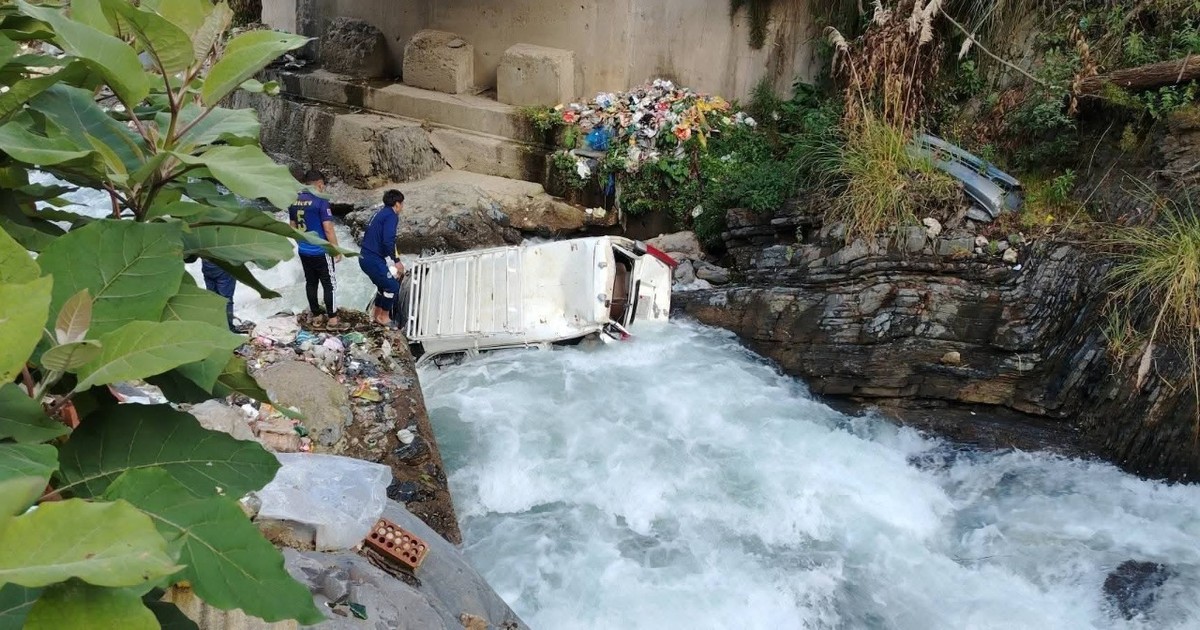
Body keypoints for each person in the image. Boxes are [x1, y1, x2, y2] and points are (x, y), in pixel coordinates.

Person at [288, 169, 342, 326]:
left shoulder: (294, 199)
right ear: (319, 184)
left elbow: (292, 227)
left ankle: (317, 315)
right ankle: (332, 318)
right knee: (329, 284)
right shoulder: (320, 200)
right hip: (321, 251)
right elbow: (328, 228)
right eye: (323, 185)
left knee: (311, 283)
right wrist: (336, 249)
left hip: (304, 251)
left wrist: (302, 244)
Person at [359, 189, 406, 328]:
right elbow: (388, 240)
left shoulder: (380, 212)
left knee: (383, 286)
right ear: (397, 204)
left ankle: (376, 314)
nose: (402, 207)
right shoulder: (391, 216)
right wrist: (397, 262)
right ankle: (384, 317)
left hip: (366, 256)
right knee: (392, 287)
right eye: (402, 204)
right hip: (372, 258)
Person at [200, 259, 238, 332]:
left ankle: (215, 326)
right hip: (222, 269)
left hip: (207, 268)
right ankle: (228, 328)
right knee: (226, 300)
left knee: (213, 299)